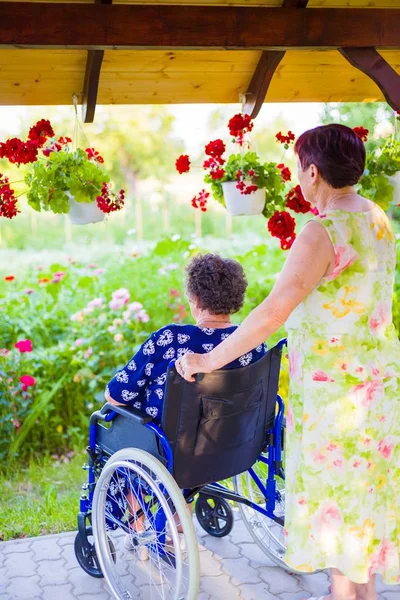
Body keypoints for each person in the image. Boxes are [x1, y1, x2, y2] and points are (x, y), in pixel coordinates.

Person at [176, 124, 400, 600]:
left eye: (301, 169)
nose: (300, 179)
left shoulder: (323, 230)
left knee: (339, 515)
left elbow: (274, 311)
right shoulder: (377, 218)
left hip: (336, 393)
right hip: (378, 388)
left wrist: (208, 359)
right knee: (361, 511)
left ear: (313, 171)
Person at [105, 253, 266, 558]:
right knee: (188, 429)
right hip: (235, 441)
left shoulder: (170, 339)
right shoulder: (250, 340)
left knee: (113, 432)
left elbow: (116, 395)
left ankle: (140, 526)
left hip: (174, 450)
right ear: (236, 298)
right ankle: (181, 514)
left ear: (194, 297)